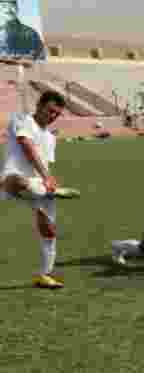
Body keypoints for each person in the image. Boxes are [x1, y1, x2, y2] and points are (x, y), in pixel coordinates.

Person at [0, 90, 68, 289]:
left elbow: (45, 164)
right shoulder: (21, 119)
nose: (53, 116)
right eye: (51, 110)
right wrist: (46, 177)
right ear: (39, 105)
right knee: (20, 182)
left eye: (57, 113)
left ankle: (45, 275)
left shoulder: (50, 138)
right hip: (15, 179)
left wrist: (51, 185)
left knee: (49, 229)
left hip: (39, 185)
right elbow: (26, 145)